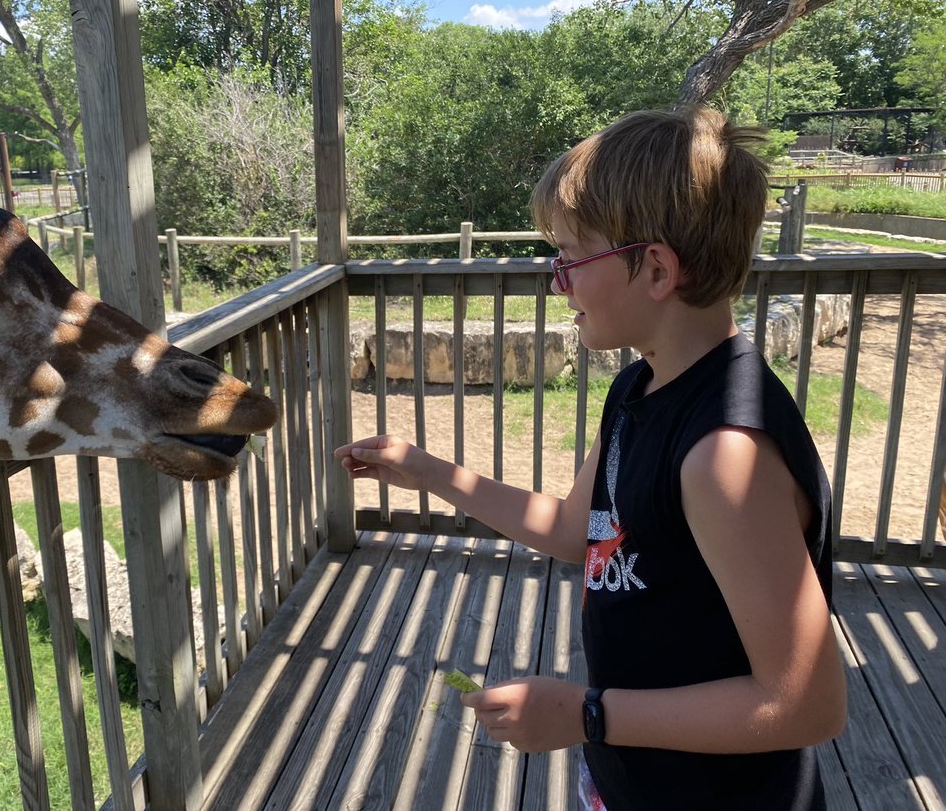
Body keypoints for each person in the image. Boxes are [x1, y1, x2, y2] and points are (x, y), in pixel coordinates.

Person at [334, 105, 847, 810]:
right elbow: (578, 531)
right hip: (629, 780)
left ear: (657, 269)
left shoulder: (725, 455)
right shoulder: (640, 387)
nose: (559, 281)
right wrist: (426, 471)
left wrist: (588, 715)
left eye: (573, 258)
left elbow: (807, 704)